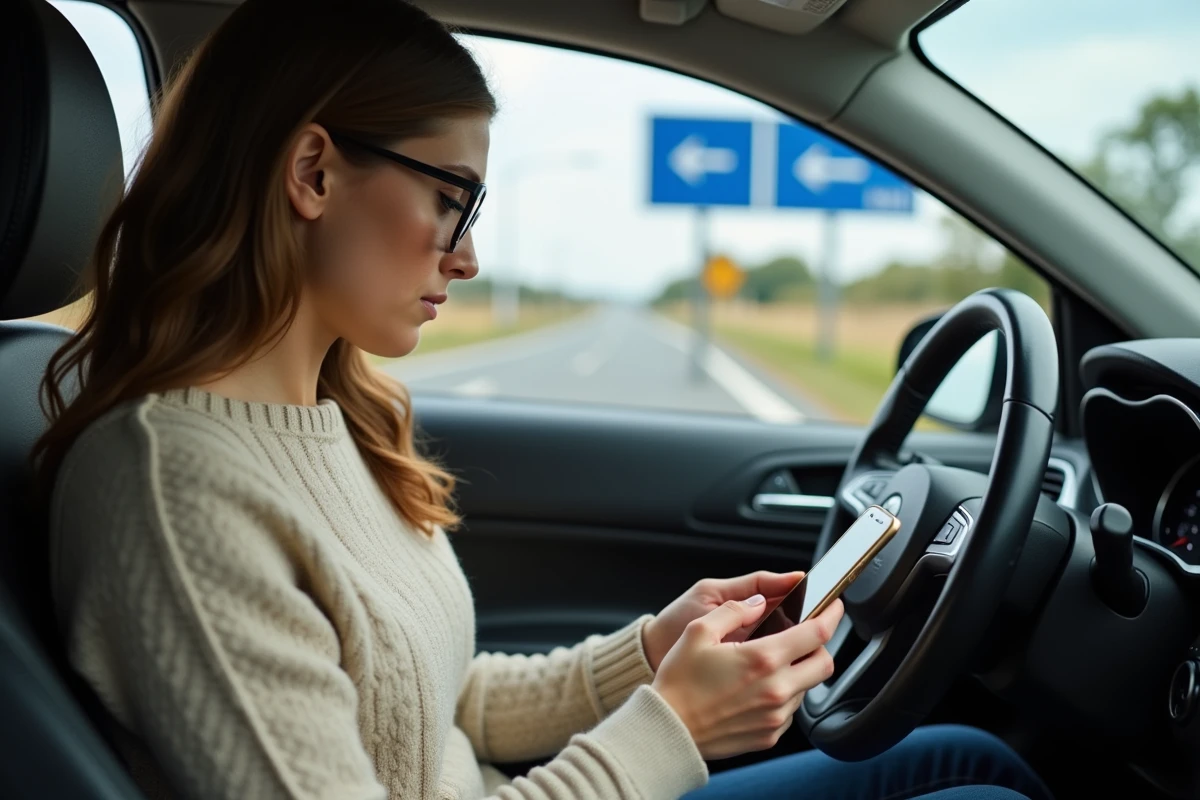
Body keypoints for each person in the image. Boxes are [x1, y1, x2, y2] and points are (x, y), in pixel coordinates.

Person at [33, 1, 1053, 799]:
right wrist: (673, 726)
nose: (469, 255)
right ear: (312, 171)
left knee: (961, 758)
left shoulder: (336, 417)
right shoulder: (173, 483)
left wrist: (648, 653)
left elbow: (444, 705)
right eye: (451, 200)